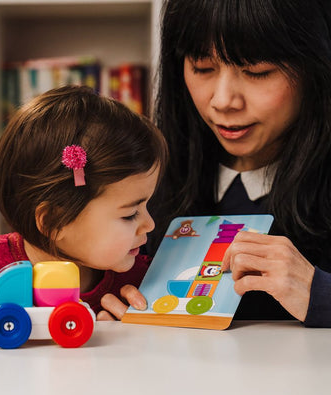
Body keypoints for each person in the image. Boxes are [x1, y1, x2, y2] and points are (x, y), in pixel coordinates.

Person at [0, 85, 168, 332]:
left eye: (147, 205)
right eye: (130, 214)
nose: (150, 224)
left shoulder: (143, 279)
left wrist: (145, 326)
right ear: (54, 221)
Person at [133, 0, 331, 328]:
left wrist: (319, 292)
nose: (223, 101)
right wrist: (106, 300)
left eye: (257, 71)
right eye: (202, 67)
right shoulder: (144, 182)